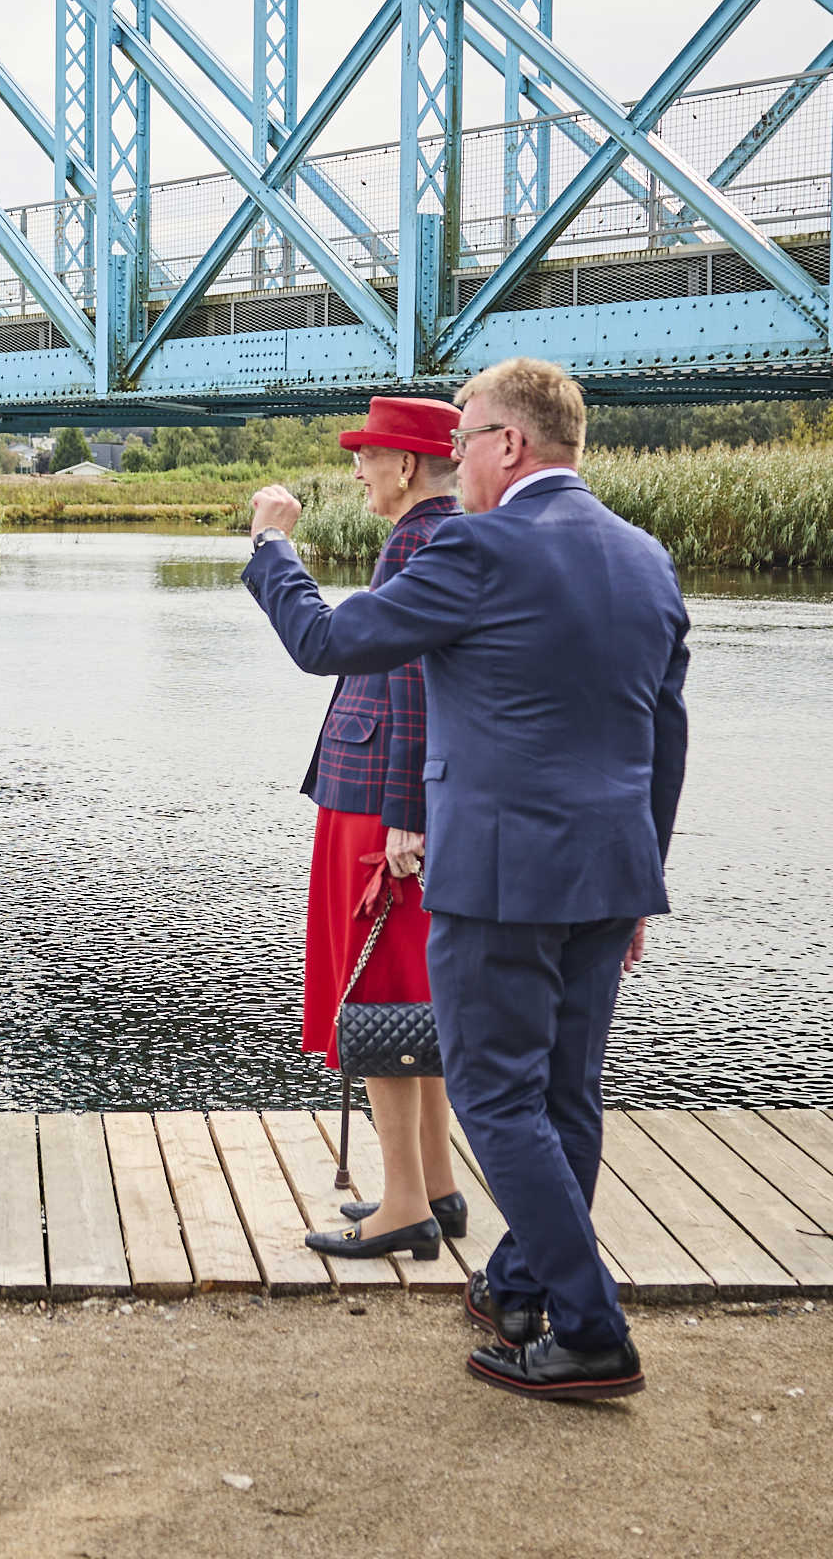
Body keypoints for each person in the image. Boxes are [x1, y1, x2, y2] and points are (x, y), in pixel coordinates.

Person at [243, 359, 688, 1403]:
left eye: (465, 439)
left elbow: (328, 642)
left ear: (510, 445)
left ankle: (591, 1330)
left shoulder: (477, 548)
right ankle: (522, 1286)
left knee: (494, 1097)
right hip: (609, 869)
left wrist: (272, 551)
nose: (456, 457)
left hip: (498, 875)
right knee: (567, 1096)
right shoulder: (644, 558)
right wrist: (644, 876)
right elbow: (664, 734)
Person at [259, 395, 465, 1264]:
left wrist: (272, 547)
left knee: (378, 992)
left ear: (406, 465)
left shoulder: (422, 543)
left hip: (376, 804)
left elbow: (393, 671)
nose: (356, 470)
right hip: (384, 796)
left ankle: (407, 1207)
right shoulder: (435, 539)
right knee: (410, 990)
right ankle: (437, 1187)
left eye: (367, 455)